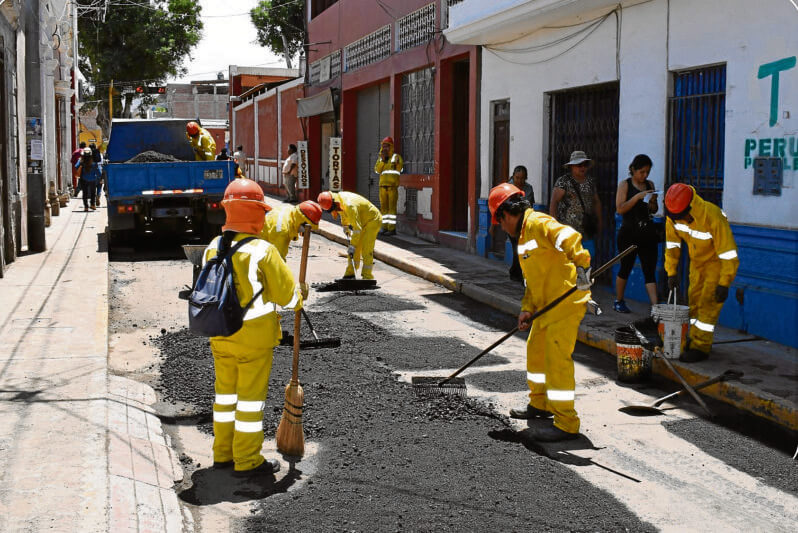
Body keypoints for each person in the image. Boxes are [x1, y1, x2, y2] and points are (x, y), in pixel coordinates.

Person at [205, 177, 304, 477]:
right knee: (248, 402)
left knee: (225, 397)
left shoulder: (213, 246)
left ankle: (223, 453)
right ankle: (247, 460)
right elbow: (288, 296)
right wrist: (301, 293)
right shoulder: (263, 250)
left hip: (220, 335)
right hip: (253, 340)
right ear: (256, 213)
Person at [489, 183, 592, 442]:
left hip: (565, 302)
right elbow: (532, 281)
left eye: (500, 221)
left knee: (556, 361)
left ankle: (566, 422)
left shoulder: (538, 223)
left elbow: (569, 237)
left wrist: (582, 266)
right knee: (536, 351)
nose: (501, 228)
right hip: (545, 305)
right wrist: (527, 309)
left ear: (507, 214)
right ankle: (540, 404)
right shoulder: (523, 237)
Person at [664, 183, 739, 362]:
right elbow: (672, 245)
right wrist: (671, 272)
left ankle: (701, 346)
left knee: (708, 305)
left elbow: (728, 252)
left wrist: (724, 283)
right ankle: (694, 338)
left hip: (716, 266)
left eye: (680, 216)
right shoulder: (674, 217)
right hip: (696, 265)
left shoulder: (712, 216)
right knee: (694, 303)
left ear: (690, 208)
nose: (678, 220)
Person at [614, 154, 659, 313]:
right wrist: (637, 198)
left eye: (647, 172)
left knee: (649, 269)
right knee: (625, 267)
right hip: (628, 233)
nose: (644, 176)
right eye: (641, 172)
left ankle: (655, 307)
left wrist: (653, 200)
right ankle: (619, 300)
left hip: (647, 233)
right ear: (633, 170)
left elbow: (653, 210)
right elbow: (620, 208)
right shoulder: (625, 185)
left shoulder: (649, 184)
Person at [549, 150, 602, 258]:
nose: (582, 167)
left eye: (585, 165)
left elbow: (596, 202)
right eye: (579, 165)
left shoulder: (590, 182)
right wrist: (553, 225)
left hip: (586, 231)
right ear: (571, 166)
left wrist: (599, 221)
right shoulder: (563, 182)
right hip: (567, 230)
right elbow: (554, 203)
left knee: (586, 260)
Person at [317, 190, 381, 280]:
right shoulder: (338, 201)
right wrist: (345, 226)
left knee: (366, 248)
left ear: (334, 203)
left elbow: (357, 229)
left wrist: (353, 245)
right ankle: (350, 273)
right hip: (362, 221)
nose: (335, 211)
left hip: (372, 219)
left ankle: (367, 276)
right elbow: (343, 213)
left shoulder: (350, 205)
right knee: (354, 250)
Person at [507, 165, 535, 282]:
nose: (519, 181)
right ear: (513, 177)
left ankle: (517, 272)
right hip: (511, 223)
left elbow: (529, 205)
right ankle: (516, 273)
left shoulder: (528, 189)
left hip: (524, 222)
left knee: (523, 248)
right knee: (516, 247)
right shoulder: (507, 188)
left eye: (522, 178)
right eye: (517, 178)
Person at [374, 136, 403, 236]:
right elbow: (377, 170)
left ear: (391, 147)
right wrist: (383, 160)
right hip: (382, 187)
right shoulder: (380, 158)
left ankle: (391, 229)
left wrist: (396, 164)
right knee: (384, 209)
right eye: (384, 146)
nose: (385, 148)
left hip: (392, 187)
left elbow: (400, 169)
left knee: (392, 208)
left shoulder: (396, 157)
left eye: (387, 146)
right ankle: (384, 227)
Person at [75, 147, 100, 212]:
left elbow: (76, 166)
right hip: (92, 179)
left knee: (85, 193)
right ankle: (92, 204)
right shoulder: (94, 162)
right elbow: (98, 172)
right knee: (93, 193)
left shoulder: (81, 161)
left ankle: (86, 207)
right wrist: (100, 177)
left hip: (84, 179)